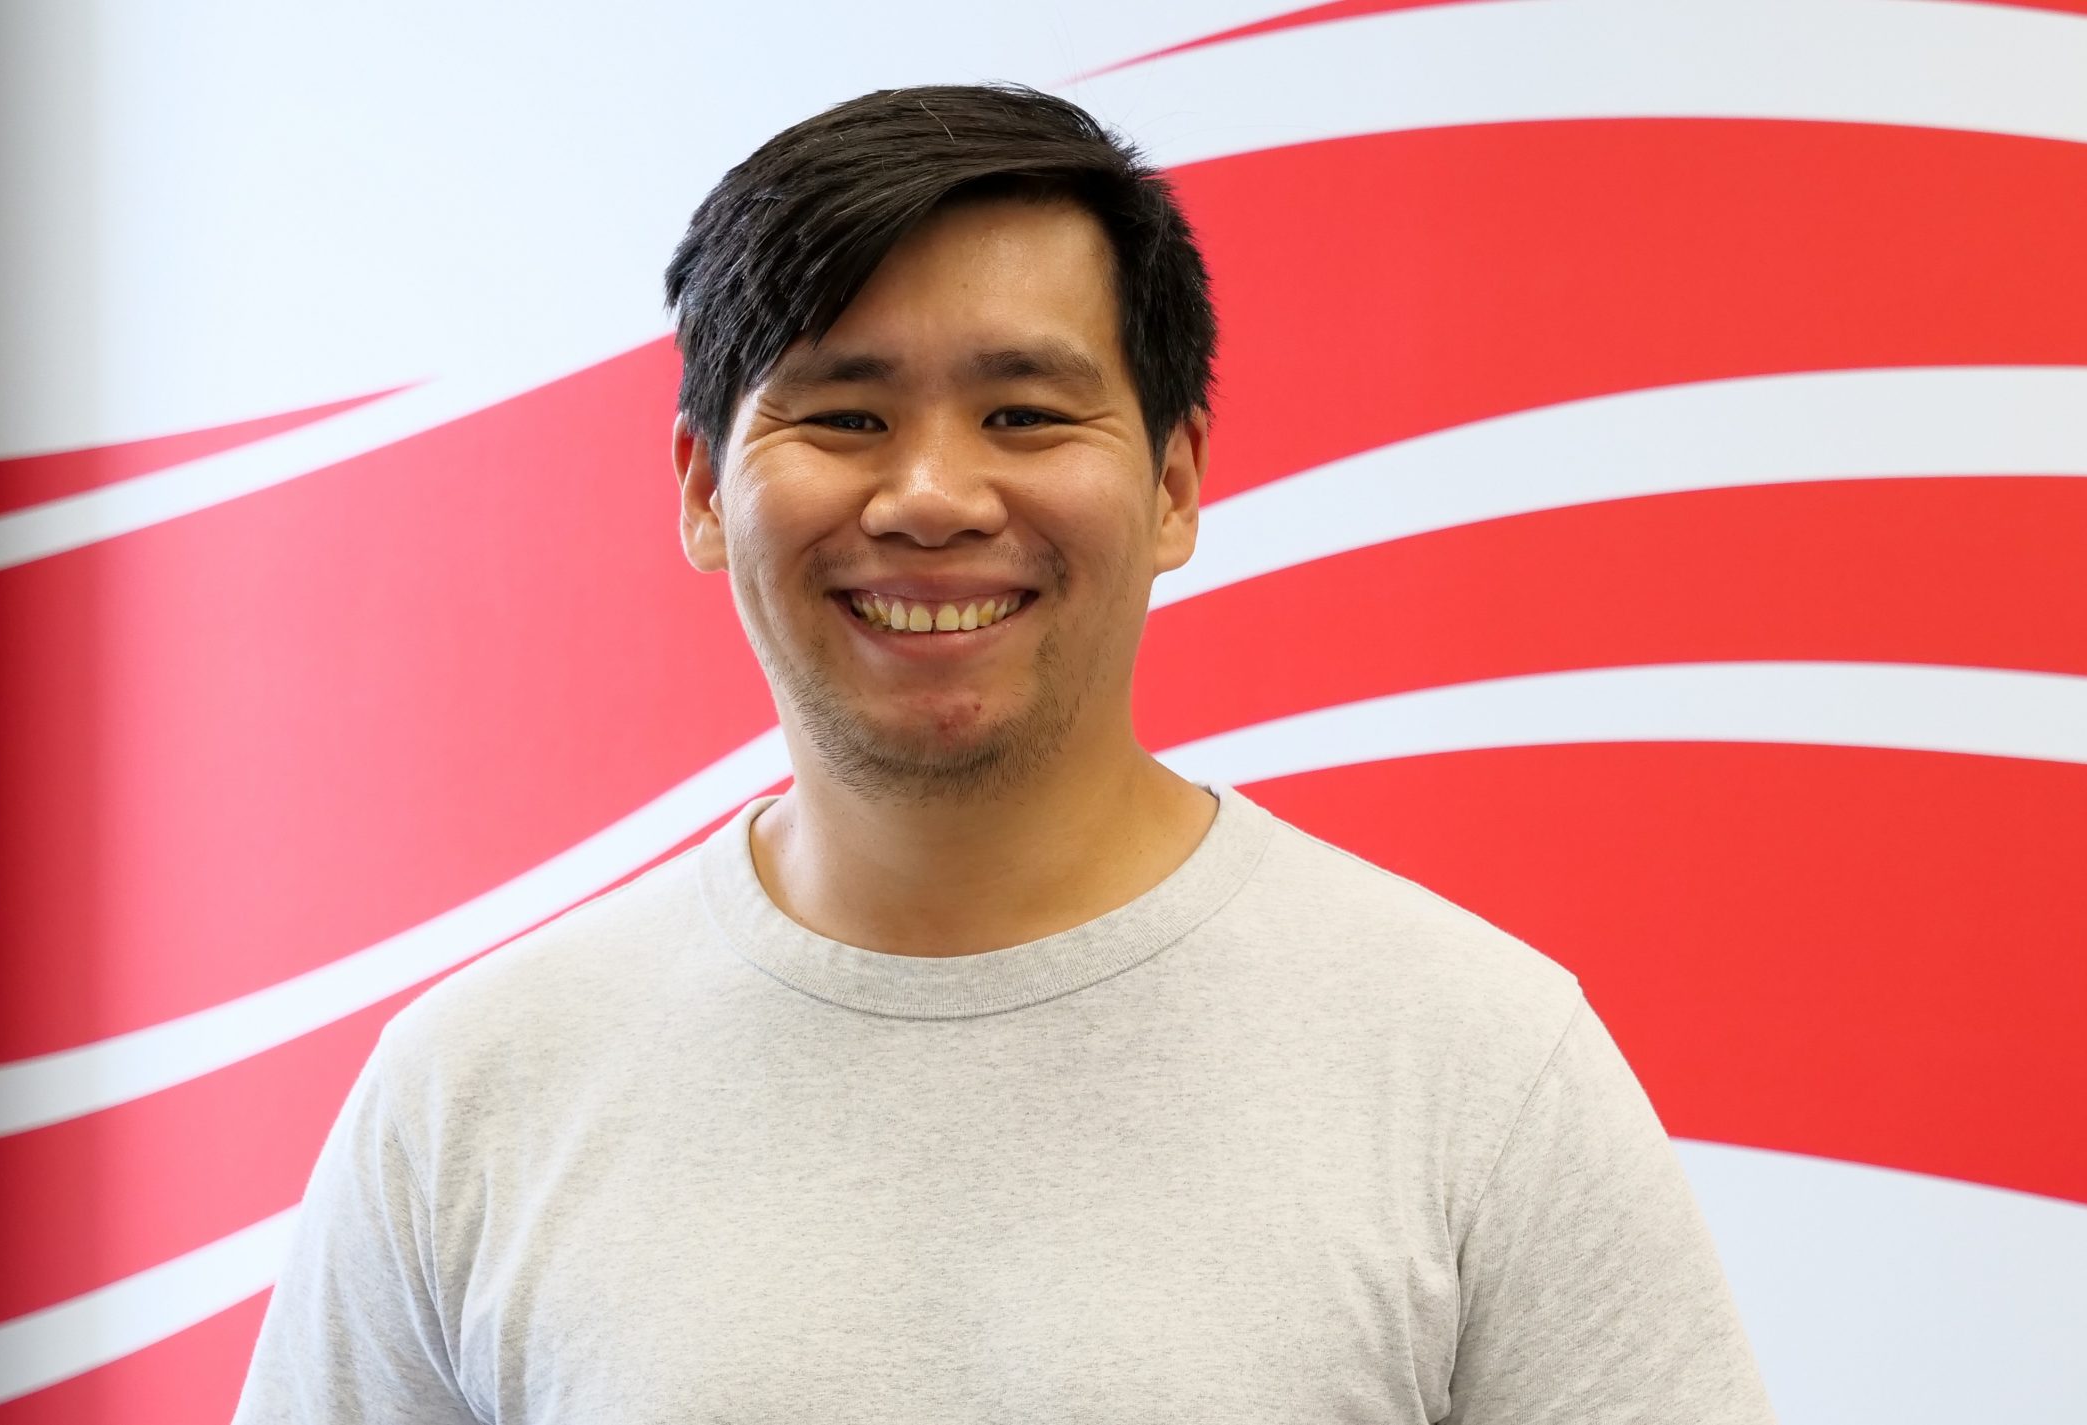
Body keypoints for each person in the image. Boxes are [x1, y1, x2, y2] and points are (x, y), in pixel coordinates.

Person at [233, 82, 1778, 1424]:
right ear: (705, 488)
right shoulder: (477, 1089)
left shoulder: (1473, 1059)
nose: (930, 495)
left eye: (1027, 413)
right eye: (841, 416)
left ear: (1174, 482)